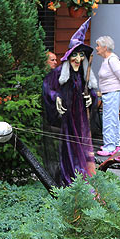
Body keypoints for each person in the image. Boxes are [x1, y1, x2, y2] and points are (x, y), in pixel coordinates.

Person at [42, 18, 98, 186]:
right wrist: (56, 97)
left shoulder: (83, 73)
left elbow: (91, 91)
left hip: (81, 118)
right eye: (75, 54)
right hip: (67, 118)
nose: (78, 58)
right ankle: (71, 177)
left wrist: (91, 98)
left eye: (81, 55)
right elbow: (47, 87)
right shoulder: (60, 72)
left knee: (83, 146)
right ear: (69, 55)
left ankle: (83, 175)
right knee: (68, 147)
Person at [95, 36, 120, 157]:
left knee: (109, 119)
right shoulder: (107, 59)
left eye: (98, 45)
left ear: (105, 47)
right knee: (112, 118)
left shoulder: (112, 60)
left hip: (112, 93)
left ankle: (109, 147)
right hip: (110, 93)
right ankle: (115, 144)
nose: (96, 48)